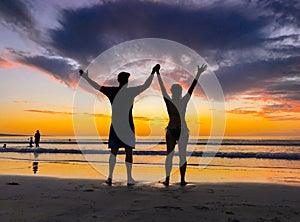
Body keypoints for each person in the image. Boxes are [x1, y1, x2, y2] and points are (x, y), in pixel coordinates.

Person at [79, 65, 158, 185]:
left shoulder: (113, 91)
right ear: (126, 81)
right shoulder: (129, 91)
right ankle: (127, 178)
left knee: (115, 152)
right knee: (127, 152)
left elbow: (97, 87)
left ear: (118, 80)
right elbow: (146, 86)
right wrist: (153, 72)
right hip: (126, 126)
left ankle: (111, 177)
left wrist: (85, 78)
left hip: (119, 126)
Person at [156, 64, 207, 186]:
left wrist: (157, 73)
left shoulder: (169, 101)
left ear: (172, 92)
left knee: (170, 155)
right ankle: (182, 180)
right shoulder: (183, 101)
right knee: (182, 156)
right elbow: (191, 88)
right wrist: (198, 74)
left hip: (172, 129)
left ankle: (168, 180)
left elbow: (162, 88)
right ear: (179, 92)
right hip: (182, 129)